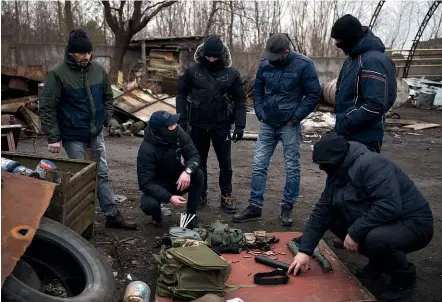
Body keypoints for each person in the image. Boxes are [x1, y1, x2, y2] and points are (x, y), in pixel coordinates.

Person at [288, 132, 433, 301]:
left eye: (324, 164)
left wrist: (355, 232)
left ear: (338, 158)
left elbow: (389, 206)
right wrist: (305, 251)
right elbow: (322, 211)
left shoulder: (373, 165)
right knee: (333, 219)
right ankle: (378, 263)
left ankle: (404, 279)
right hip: (388, 221)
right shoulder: (338, 171)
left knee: (376, 239)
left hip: (414, 224)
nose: (322, 168)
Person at [39, 28, 136, 230]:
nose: (86, 56)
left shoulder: (98, 70)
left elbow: (109, 97)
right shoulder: (57, 74)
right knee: (80, 178)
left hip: (95, 133)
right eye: (81, 53)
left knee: (102, 173)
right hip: (73, 135)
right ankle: (81, 221)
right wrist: (53, 137)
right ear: (71, 52)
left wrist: (106, 117)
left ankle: (111, 214)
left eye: (89, 52)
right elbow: (47, 106)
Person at [233, 33, 321, 226]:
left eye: (275, 57)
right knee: (259, 165)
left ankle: (287, 208)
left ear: (286, 52)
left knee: (292, 167)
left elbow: (314, 95)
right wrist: (261, 113)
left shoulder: (304, 65)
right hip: (267, 123)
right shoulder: (265, 62)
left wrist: (294, 118)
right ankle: (254, 207)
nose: (270, 60)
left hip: (289, 124)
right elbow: (257, 90)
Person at [176, 35, 246, 214]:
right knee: (199, 162)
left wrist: (240, 125)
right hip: (198, 125)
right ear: (204, 54)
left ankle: (226, 195)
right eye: (209, 56)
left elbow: (240, 100)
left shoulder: (231, 74)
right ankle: (201, 194)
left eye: (215, 56)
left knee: (225, 163)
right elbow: (181, 94)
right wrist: (182, 119)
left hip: (221, 126)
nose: (212, 59)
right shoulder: (193, 71)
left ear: (221, 55)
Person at [331, 14, 397, 153]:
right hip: (348, 134)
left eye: (339, 40)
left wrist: (347, 120)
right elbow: (341, 90)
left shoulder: (373, 61)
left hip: (364, 139)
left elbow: (376, 104)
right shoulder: (351, 60)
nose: (337, 44)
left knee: (361, 173)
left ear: (350, 38)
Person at [137, 110, 204, 229]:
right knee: (149, 204)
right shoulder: (146, 150)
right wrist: (169, 198)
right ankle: (156, 217)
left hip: (178, 180)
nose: (176, 125)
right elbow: (145, 183)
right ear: (162, 130)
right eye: (171, 125)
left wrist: (187, 171)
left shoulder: (179, 133)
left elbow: (194, 155)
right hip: (158, 185)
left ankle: (191, 216)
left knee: (198, 174)